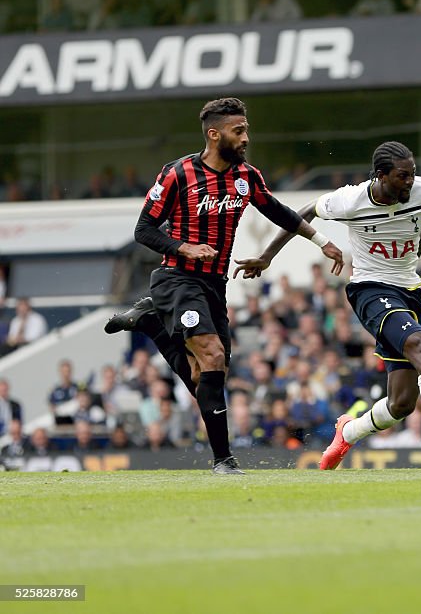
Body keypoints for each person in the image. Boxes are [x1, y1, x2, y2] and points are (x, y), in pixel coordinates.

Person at [103, 98, 344, 475]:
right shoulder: (178, 174)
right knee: (213, 356)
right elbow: (143, 230)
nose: (246, 137)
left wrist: (320, 241)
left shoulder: (247, 176)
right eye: (239, 131)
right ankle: (223, 460)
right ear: (214, 135)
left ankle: (152, 324)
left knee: (206, 375)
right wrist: (183, 246)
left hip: (214, 285)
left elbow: (279, 211)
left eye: (246, 129)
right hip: (177, 279)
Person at [234, 141, 421, 473]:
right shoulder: (350, 199)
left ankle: (348, 432)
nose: (410, 182)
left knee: (400, 404)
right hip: (370, 289)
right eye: (403, 176)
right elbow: (304, 211)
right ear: (381, 176)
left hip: (408, 291)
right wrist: (272, 255)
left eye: (412, 174)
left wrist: (409, 260)